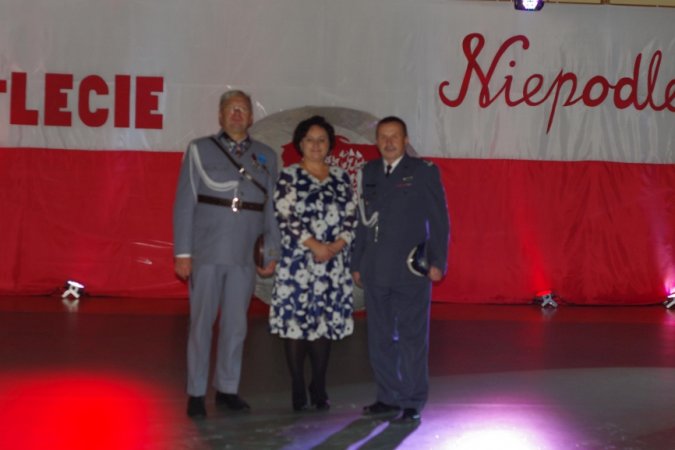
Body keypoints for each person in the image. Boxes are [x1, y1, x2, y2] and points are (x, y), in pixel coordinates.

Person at [173, 90, 280, 418]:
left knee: (236, 325)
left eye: (242, 109)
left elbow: (272, 208)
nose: (237, 114)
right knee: (201, 324)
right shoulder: (199, 149)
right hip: (206, 251)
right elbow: (185, 204)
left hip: (243, 254)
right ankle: (196, 392)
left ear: (251, 117)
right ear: (220, 116)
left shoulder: (266, 156)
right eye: (231, 109)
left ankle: (227, 388)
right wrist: (183, 252)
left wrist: (270, 250)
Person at [352, 116, 450, 425]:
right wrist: (357, 262)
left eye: (395, 136)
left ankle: (411, 401)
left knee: (411, 339)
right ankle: (387, 397)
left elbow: (439, 220)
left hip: (410, 268)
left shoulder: (423, 171)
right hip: (375, 269)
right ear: (376, 141)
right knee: (379, 338)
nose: (389, 142)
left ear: (406, 140)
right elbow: (362, 221)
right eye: (383, 136)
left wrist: (437, 261)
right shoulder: (368, 172)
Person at [269, 115, 357, 411]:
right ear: (300, 144)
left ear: (330, 144)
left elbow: (352, 215)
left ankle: (318, 384)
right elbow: (285, 215)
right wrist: (315, 245)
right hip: (298, 264)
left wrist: (339, 244)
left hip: (332, 264)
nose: (316, 145)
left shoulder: (342, 177)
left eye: (322, 140)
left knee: (323, 325)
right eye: (310, 140)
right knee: (296, 325)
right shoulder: (289, 175)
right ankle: (297, 383)